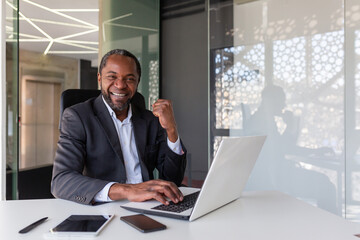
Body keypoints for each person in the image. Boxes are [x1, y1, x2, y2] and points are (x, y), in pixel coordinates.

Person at [51, 49, 186, 205]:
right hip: (105, 208)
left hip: (150, 204)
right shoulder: (78, 117)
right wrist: (127, 190)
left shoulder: (149, 119)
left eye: (129, 79)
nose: (120, 85)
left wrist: (171, 129)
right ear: (99, 78)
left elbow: (173, 178)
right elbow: (61, 181)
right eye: (112, 77)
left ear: (137, 82)